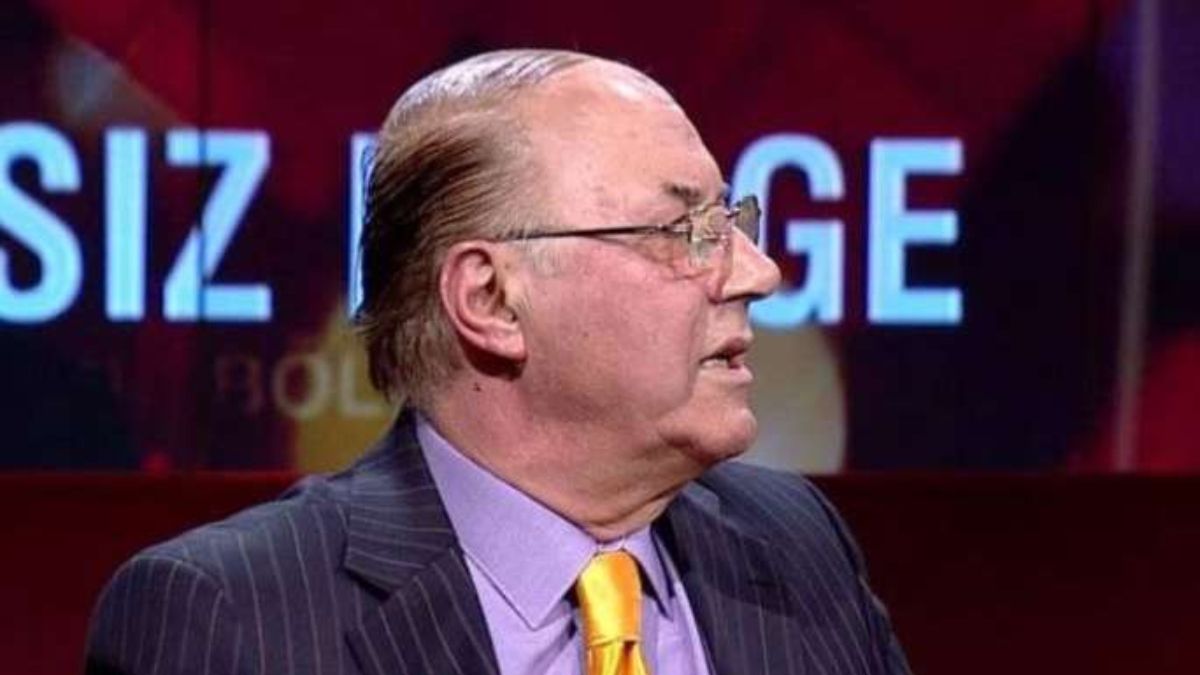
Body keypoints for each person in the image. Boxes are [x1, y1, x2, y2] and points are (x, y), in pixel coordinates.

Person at [86, 49, 910, 675]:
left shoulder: (795, 543)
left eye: (732, 222)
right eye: (683, 231)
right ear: (490, 299)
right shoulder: (231, 617)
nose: (757, 272)